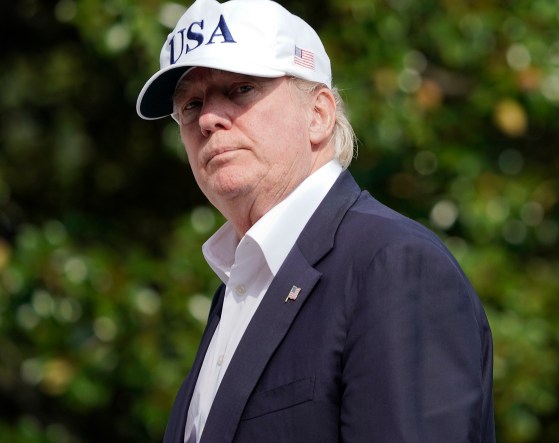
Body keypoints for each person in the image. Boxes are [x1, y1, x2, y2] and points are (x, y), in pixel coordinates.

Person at [136, 0, 495, 441]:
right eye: (190, 105)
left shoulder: (394, 265)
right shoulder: (241, 286)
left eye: (240, 89)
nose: (208, 119)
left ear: (318, 114)